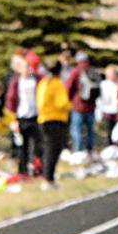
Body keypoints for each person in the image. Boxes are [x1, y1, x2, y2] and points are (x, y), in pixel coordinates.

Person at [36, 59, 70, 190]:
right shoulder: (56, 84)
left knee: (48, 148)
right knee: (53, 150)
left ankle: (48, 177)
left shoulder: (43, 83)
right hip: (56, 119)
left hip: (43, 119)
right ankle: (48, 178)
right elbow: (62, 102)